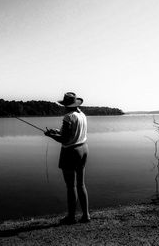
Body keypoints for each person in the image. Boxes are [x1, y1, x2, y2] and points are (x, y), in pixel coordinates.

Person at [45, 92, 90, 224]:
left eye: (64, 105)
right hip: (84, 149)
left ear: (66, 105)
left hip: (70, 152)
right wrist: (56, 131)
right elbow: (71, 132)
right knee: (81, 184)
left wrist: (50, 135)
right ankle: (86, 215)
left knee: (71, 186)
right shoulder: (82, 115)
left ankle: (71, 217)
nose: (63, 107)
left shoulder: (68, 117)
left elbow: (65, 139)